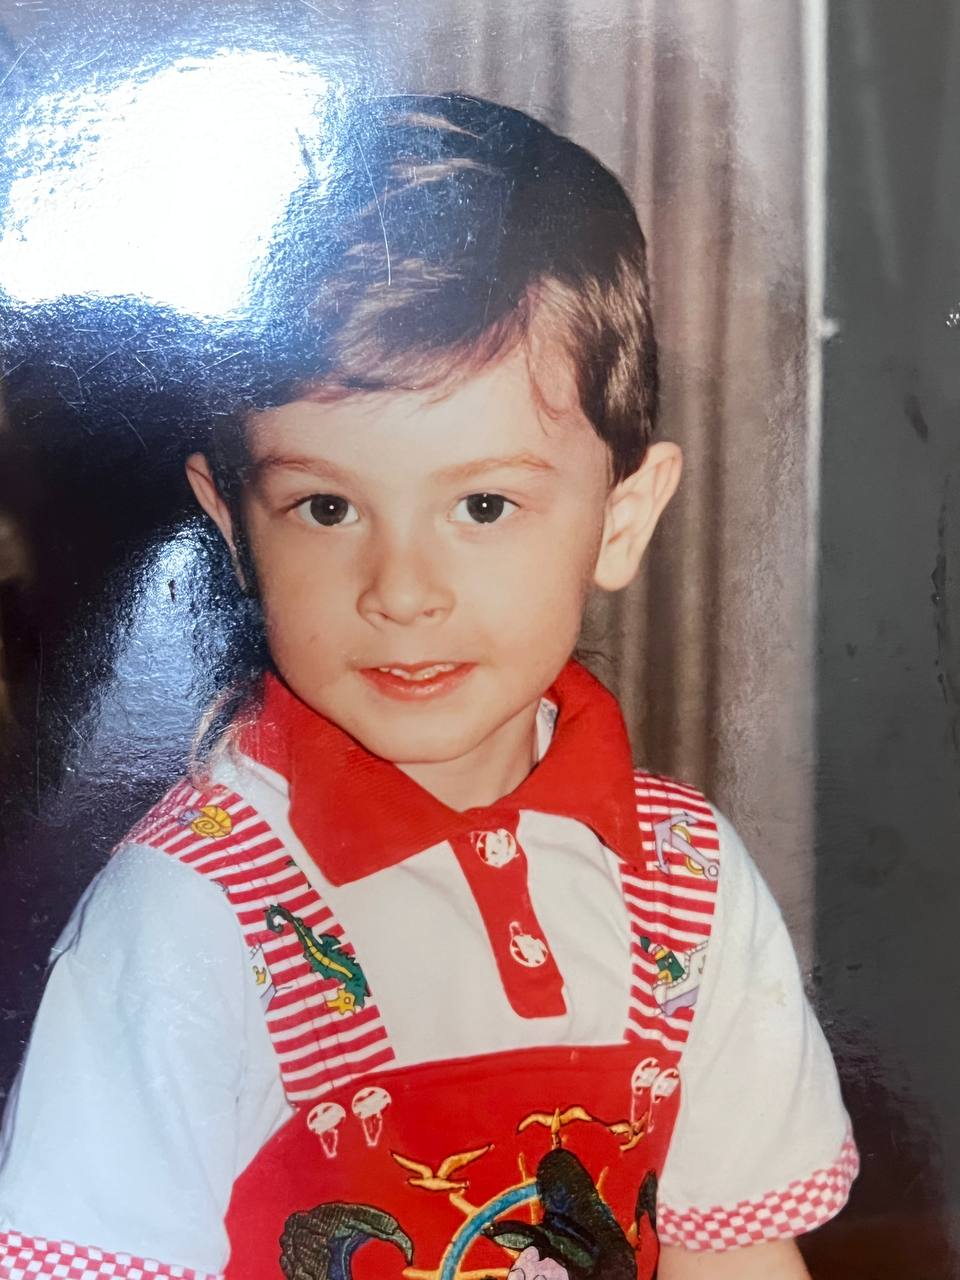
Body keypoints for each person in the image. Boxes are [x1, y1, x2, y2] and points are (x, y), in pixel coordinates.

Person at [0, 93, 856, 1280]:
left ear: (622, 520)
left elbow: (739, 1255)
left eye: (483, 504)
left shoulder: (689, 884)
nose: (401, 590)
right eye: (327, 506)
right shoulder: (191, 913)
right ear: (234, 526)